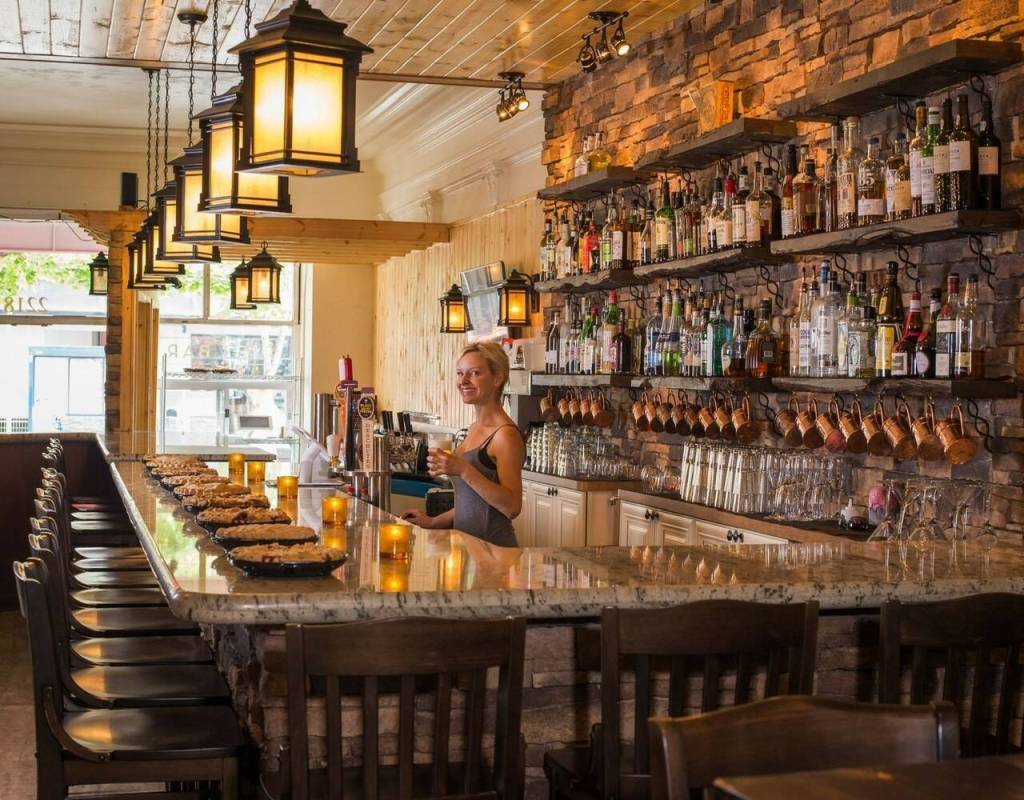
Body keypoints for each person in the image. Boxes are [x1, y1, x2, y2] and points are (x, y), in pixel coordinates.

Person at [402, 342, 524, 547]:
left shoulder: (505, 435)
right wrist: (432, 521)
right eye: (460, 373)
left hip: (495, 552)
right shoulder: (474, 428)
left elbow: (512, 507)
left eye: (474, 373)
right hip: (470, 553)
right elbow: (473, 502)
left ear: (498, 378)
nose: (463, 381)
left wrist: (463, 469)